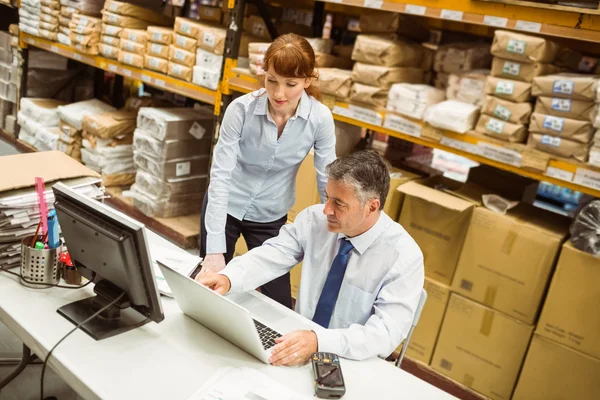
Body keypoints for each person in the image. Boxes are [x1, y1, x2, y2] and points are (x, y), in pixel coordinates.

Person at [197, 150, 424, 366]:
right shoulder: (315, 221)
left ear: (371, 206)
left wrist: (318, 341)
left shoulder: (403, 258)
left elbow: (384, 334)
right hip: (297, 342)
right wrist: (229, 278)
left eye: (339, 204)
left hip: (351, 359)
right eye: (328, 197)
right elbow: (273, 254)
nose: (326, 209)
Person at [198, 33, 337, 309]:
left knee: (278, 302)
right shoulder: (241, 110)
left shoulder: (320, 119)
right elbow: (221, 175)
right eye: (272, 80)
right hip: (225, 207)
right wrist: (214, 251)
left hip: (270, 217)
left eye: (291, 84)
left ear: (308, 81)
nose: (279, 93)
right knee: (209, 288)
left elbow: (327, 181)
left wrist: (333, 234)